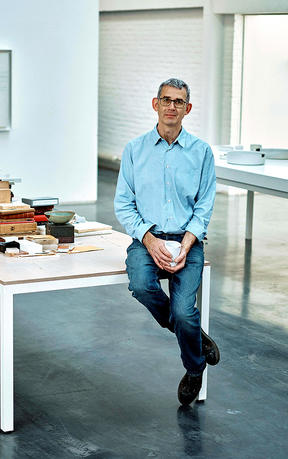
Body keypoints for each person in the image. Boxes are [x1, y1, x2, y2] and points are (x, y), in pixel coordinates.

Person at [114, 78, 220, 405]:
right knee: (142, 285)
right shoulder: (134, 150)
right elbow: (123, 203)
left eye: (178, 102)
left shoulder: (202, 153)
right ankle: (194, 340)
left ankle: (193, 367)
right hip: (148, 238)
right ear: (155, 104)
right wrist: (147, 239)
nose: (171, 106)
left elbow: (204, 205)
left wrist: (188, 244)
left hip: (188, 239)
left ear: (187, 109)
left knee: (185, 312)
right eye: (166, 100)